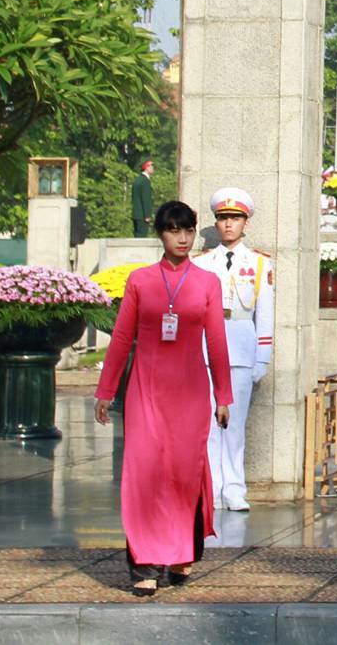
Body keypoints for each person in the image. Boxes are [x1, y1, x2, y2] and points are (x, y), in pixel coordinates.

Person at [95, 201, 234, 597]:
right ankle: (145, 564)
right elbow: (122, 337)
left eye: (188, 230)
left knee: (182, 472)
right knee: (144, 473)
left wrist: (223, 394)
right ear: (160, 234)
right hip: (145, 390)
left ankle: (181, 553)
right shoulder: (140, 281)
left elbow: (217, 341)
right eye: (174, 230)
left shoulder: (207, 282)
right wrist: (106, 390)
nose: (183, 238)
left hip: (190, 392)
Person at [194, 187, 272, 513]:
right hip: (206, 349)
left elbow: (265, 313)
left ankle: (234, 488)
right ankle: (211, 487)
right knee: (209, 425)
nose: (229, 225)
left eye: (235, 219)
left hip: (240, 345)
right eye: (223, 218)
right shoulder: (201, 263)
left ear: (245, 223)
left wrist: (262, 357)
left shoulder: (258, 263)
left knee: (235, 424)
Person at [131, 160, 156, 236]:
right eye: (151, 166)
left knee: (137, 237)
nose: (153, 168)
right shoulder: (145, 181)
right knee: (142, 238)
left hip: (136, 214)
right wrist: (147, 215)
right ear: (146, 167)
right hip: (142, 216)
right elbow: (146, 199)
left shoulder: (137, 180)